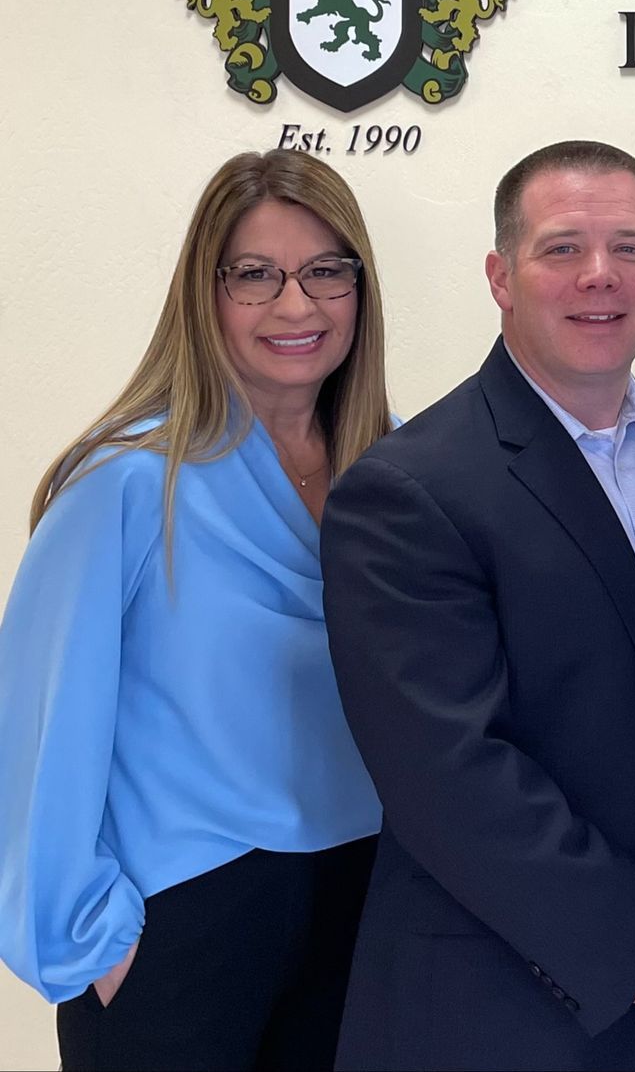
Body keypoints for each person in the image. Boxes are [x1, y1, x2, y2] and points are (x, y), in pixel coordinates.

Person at [320, 140, 635, 1072]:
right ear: (500, 275)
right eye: (563, 248)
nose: (599, 276)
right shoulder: (407, 491)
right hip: (492, 1015)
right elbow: (449, 776)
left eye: (630, 247)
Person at [0, 149, 392, 1071]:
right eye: (255, 275)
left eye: (327, 271)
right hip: (181, 934)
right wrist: (95, 946)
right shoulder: (131, 483)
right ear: (204, 294)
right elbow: (34, 738)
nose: (296, 306)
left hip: (361, 917)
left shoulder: (397, 478)